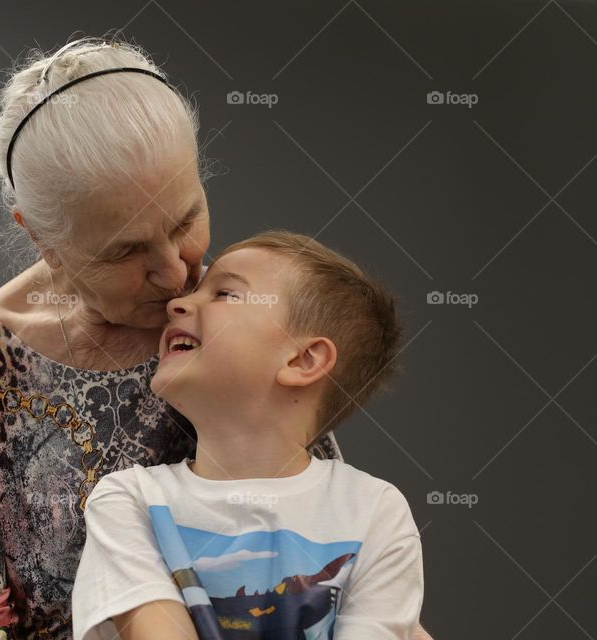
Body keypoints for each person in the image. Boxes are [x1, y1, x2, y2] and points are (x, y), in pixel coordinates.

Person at [0, 38, 348, 640]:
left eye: (186, 221)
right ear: (41, 238)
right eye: (127, 251)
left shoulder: (241, 327)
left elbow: (324, 544)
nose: (178, 273)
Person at [71, 230, 424, 640]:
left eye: (224, 294)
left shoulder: (375, 512)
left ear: (303, 359)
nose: (176, 303)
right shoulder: (127, 502)